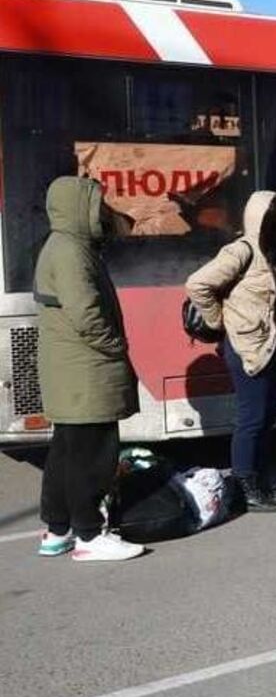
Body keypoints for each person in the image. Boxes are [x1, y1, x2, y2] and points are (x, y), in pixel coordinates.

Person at [34, 176, 144, 561]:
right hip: (86, 369)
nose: (101, 211)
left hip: (72, 369)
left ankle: (58, 530)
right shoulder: (71, 251)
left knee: (66, 452)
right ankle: (89, 535)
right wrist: (116, 347)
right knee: (93, 455)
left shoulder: (62, 245)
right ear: (79, 208)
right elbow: (87, 314)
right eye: (95, 204)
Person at [187, 191, 276, 513]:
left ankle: (261, 480)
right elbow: (198, 284)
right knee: (251, 417)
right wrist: (217, 321)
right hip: (245, 344)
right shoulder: (243, 250)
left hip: (272, 343)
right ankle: (245, 486)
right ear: (263, 221)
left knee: (269, 412)